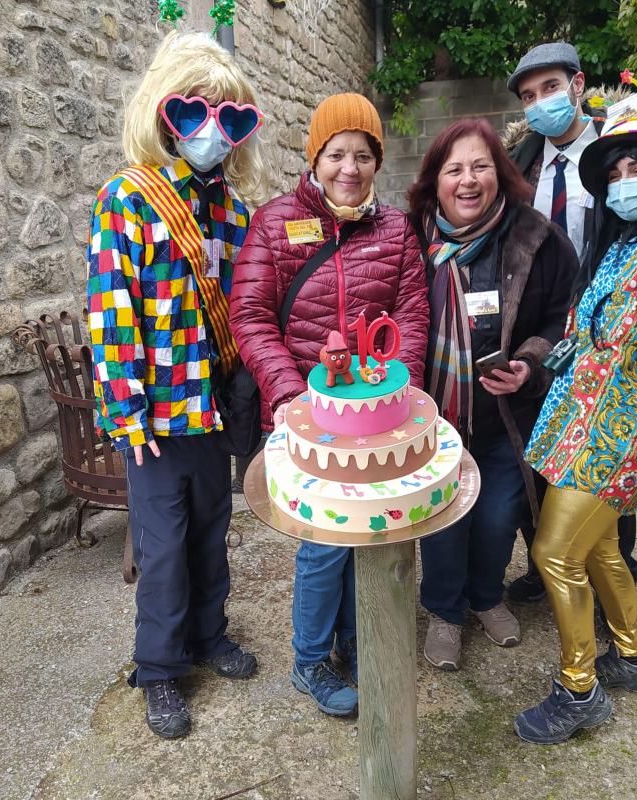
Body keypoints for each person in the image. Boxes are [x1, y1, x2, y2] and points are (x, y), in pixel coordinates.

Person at [86, 31, 269, 739]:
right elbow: (110, 315)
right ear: (166, 114)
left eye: (231, 117)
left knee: (211, 533)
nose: (212, 133)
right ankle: (159, 669)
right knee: (161, 548)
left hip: (213, 407)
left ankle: (207, 634)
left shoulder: (232, 207)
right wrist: (129, 418)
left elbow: (247, 304)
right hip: (156, 420)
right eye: (197, 113)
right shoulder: (126, 199)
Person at [515, 94, 637, 745]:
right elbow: (592, 327)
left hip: (622, 440)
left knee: (552, 553)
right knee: (596, 547)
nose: (627, 183)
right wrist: (543, 359)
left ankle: (579, 690)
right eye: (617, 173)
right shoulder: (627, 243)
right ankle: (633, 656)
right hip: (582, 423)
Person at [230, 93, 429, 716]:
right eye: (337, 153)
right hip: (304, 417)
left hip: (377, 418)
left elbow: (413, 316)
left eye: (363, 155)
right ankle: (310, 660)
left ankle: (352, 638)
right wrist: (292, 397)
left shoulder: (395, 230)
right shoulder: (274, 222)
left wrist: (401, 390)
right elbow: (252, 315)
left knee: (368, 535)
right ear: (315, 158)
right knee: (325, 540)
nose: (350, 167)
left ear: (377, 161)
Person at [408, 117, 578, 671]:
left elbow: (563, 317)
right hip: (435, 414)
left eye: (481, 165)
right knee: (441, 515)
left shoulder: (537, 237)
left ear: (500, 173)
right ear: (435, 181)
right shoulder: (412, 239)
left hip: (508, 412)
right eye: (454, 168)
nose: (468, 180)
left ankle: (485, 596)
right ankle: (444, 611)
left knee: (499, 513)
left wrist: (530, 363)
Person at [505, 41, 637, 602]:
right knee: (542, 449)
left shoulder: (620, 156)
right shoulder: (520, 162)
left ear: (579, 84)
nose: (541, 103)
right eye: (530, 96)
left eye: (551, 88)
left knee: (603, 456)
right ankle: (546, 559)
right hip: (541, 333)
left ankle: (617, 570)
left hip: (603, 331)